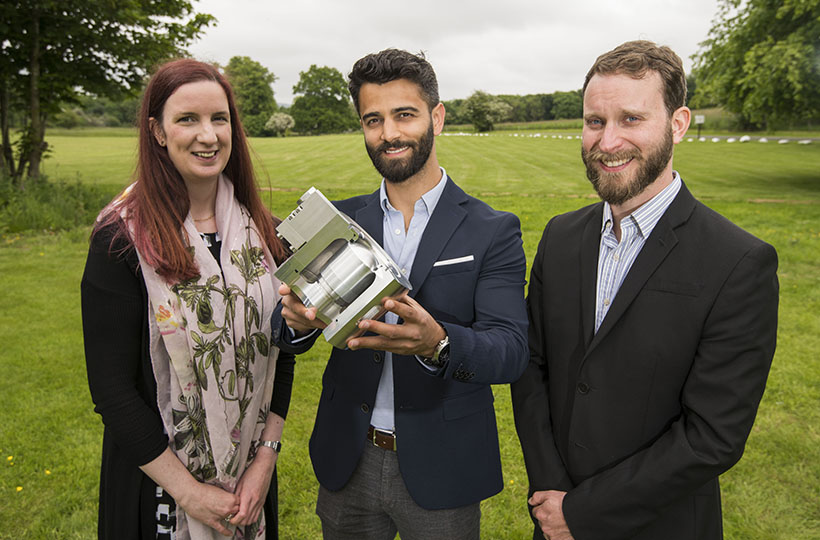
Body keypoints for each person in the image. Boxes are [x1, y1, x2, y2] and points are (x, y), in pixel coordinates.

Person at [510, 40, 779, 540]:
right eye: (595, 121)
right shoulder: (560, 236)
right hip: (553, 516)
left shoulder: (739, 262)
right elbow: (531, 368)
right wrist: (552, 492)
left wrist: (583, 512)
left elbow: (712, 435)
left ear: (678, 124)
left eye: (631, 119)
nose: (607, 141)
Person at [272, 48, 528, 539]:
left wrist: (439, 343)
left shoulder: (491, 230)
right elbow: (283, 328)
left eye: (403, 115)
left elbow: (511, 351)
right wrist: (295, 323)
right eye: (373, 119)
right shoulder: (339, 223)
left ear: (437, 117)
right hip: (349, 457)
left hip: (443, 463)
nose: (388, 133)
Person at [81, 58, 295, 540]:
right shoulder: (120, 241)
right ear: (157, 131)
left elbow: (279, 355)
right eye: (188, 119)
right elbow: (112, 390)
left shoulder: (265, 235)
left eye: (220, 119)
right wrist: (190, 492)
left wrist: (264, 462)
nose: (209, 135)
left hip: (248, 483)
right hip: (156, 486)